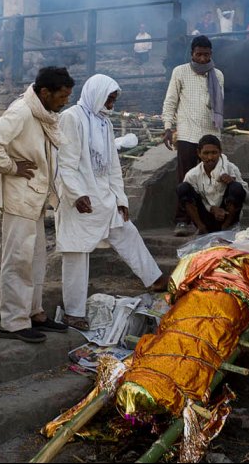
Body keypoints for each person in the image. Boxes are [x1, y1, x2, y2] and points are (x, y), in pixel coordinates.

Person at [55, 74, 167, 331]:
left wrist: (121, 199)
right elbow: (66, 163)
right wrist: (75, 194)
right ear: (97, 94)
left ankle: (154, 279)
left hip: (104, 196)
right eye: (110, 99)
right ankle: (73, 312)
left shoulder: (104, 123)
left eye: (114, 100)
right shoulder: (72, 118)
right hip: (80, 199)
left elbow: (113, 167)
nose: (112, 105)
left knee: (127, 231)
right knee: (76, 252)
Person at [0, 67, 75, 344]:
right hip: (20, 196)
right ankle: (12, 322)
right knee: (18, 260)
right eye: (62, 96)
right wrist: (10, 166)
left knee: (35, 260)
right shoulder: (22, 110)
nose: (64, 101)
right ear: (45, 92)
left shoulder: (41, 113)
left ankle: (34, 313)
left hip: (34, 198)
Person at [162, 35, 225, 236]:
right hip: (188, 134)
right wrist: (168, 126)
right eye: (198, 54)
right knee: (186, 179)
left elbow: (219, 105)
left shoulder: (218, 75)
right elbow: (171, 100)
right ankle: (182, 220)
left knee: (213, 179)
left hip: (211, 135)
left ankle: (210, 219)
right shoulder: (180, 72)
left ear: (211, 54)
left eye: (206, 55)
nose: (202, 59)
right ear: (192, 54)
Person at [177, 134, 248, 234]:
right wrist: (211, 209)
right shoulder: (192, 174)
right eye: (206, 153)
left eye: (214, 153)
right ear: (199, 153)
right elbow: (190, 198)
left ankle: (226, 227)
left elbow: (245, 195)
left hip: (226, 216)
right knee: (183, 188)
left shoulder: (231, 168)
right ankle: (201, 228)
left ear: (220, 152)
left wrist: (232, 181)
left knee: (236, 187)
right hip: (205, 217)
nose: (210, 157)